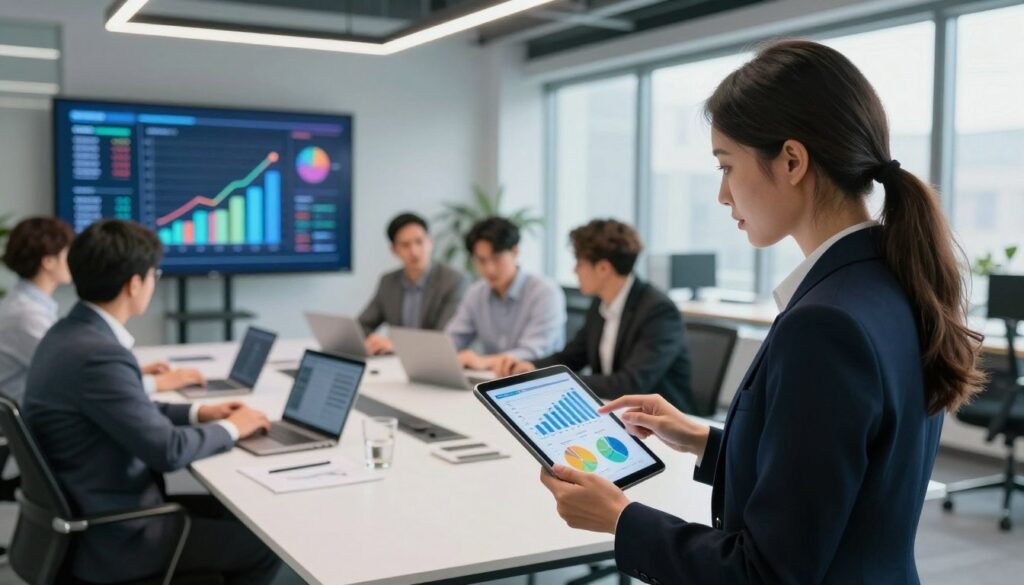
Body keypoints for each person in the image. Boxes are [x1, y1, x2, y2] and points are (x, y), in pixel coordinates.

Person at [538, 40, 984, 584]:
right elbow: (836, 480)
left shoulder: (826, 324)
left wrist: (621, 519)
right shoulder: (890, 281)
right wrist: (704, 439)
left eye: (726, 166)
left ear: (792, 160)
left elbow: (767, 572)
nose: (723, 195)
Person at [24, 220, 280, 584]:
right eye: (154, 274)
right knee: (262, 546)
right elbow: (167, 451)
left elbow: (128, 412)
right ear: (134, 283)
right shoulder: (97, 353)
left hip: (93, 509)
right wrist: (231, 428)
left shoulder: (67, 334)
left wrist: (199, 411)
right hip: (121, 534)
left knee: (238, 513)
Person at [0, 217, 207, 404]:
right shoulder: (27, 316)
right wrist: (158, 382)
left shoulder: (27, 304)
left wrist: (132, 372)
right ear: (48, 262)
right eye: (67, 251)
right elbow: (77, 380)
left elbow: (79, 371)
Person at [506, 219, 694, 412]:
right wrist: (532, 367)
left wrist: (553, 380)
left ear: (603, 268)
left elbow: (630, 384)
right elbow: (572, 356)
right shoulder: (602, 302)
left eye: (579, 263)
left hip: (661, 424)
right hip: (615, 410)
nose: (574, 270)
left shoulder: (658, 311)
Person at [445, 216, 565, 371]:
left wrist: (482, 361)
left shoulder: (545, 292)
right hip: (493, 380)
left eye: (496, 259)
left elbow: (533, 352)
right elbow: (452, 340)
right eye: (481, 260)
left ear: (515, 251)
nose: (489, 269)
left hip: (538, 381)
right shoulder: (476, 292)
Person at [358, 212, 468, 355]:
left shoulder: (453, 280)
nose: (414, 251)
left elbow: (443, 339)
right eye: (405, 245)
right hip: (397, 363)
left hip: (438, 362)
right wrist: (373, 340)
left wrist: (395, 345)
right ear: (394, 250)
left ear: (430, 242)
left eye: (419, 242)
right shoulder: (388, 282)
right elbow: (362, 325)